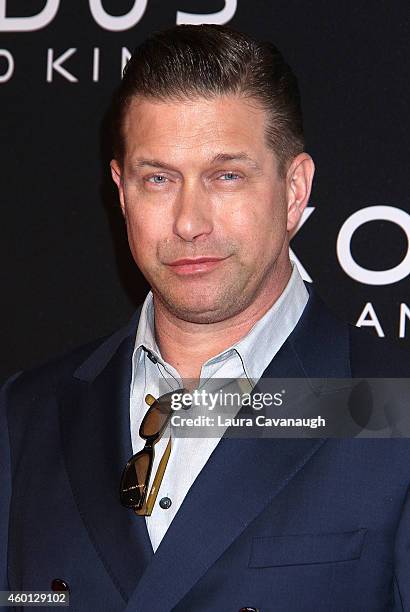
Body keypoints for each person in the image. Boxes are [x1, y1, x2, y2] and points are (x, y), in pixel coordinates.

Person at [1, 24, 409, 612]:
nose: (189, 222)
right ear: (121, 192)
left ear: (294, 190)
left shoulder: (392, 405)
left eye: (226, 176)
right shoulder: (27, 415)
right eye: (159, 178)